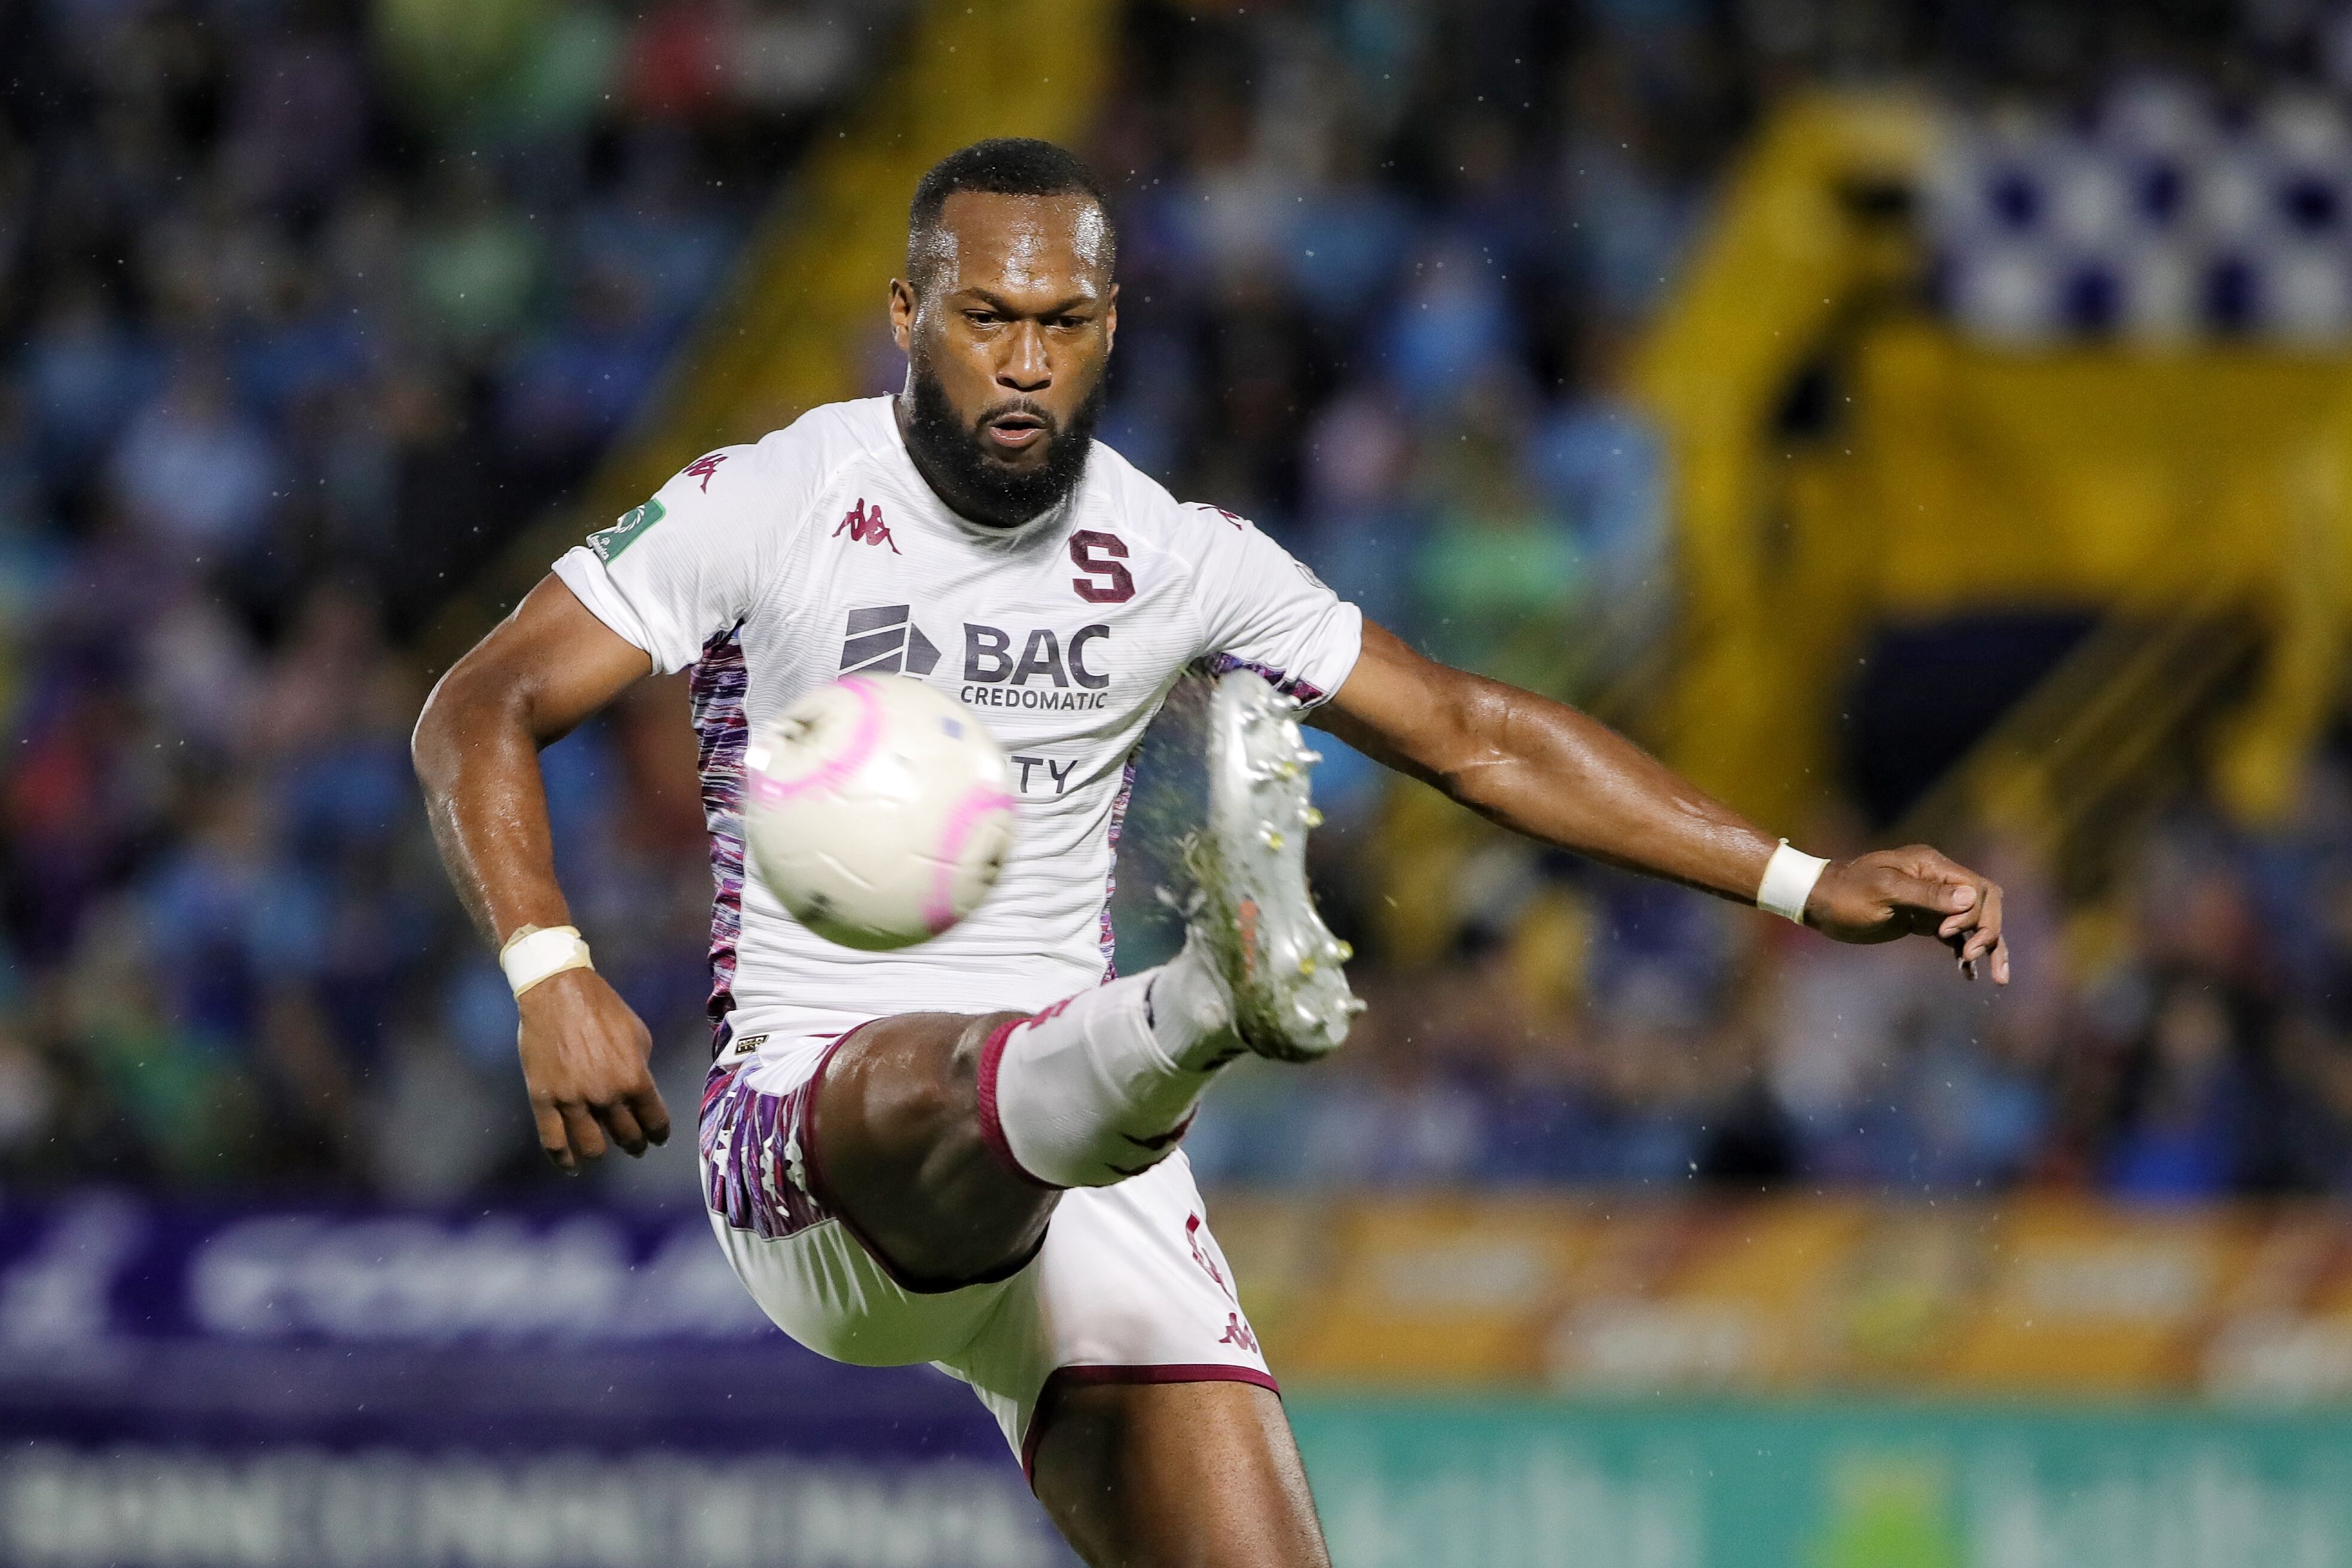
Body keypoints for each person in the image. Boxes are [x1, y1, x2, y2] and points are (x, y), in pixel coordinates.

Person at [411, 139, 2009, 1567]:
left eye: (1064, 325)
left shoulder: (1171, 553)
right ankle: (1206, 1001)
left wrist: (1802, 880)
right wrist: (548, 964)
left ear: (1110, 328)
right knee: (950, 1066)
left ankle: (1198, 1002)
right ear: (907, 316)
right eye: (986, 319)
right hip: (817, 1140)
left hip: (1091, 1174)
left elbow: (1471, 732)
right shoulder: (770, 500)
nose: (1024, 364)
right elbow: (476, 705)